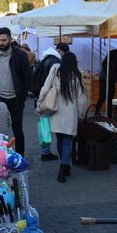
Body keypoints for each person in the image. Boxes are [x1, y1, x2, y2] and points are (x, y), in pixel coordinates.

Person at [37, 52, 87, 182]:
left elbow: (45, 87)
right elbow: (81, 97)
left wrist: (39, 102)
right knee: (67, 141)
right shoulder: (77, 74)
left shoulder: (55, 70)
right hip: (70, 113)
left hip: (56, 111)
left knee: (59, 139)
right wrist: (82, 112)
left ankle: (63, 165)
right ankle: (63, 167)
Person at [0, 27, 32, 155]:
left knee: (17, 130)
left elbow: (27, 77)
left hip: (15, 99)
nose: (1, 43)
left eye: (4, 40)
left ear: (10, 39)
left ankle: (20, 157)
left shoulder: (20, 55)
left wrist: (22, 96)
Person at [31, 45, 63, 161]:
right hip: (51, 97)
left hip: (42, 95)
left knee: (44, 124)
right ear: (60, 51)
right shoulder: (56, 63)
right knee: (56, 125)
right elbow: (51, 82)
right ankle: (47, 152)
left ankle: (45, 151)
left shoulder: (45, 59)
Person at [96, 44, 117, 117]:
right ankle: (97, 112)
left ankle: (109, 116)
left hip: (111, 80)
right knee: (103, 95)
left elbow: (116, 69)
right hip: (104, 78)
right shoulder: (114, 53)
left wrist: (116, 77)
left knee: (110, 97)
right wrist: (108, 74)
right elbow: (104, 63)